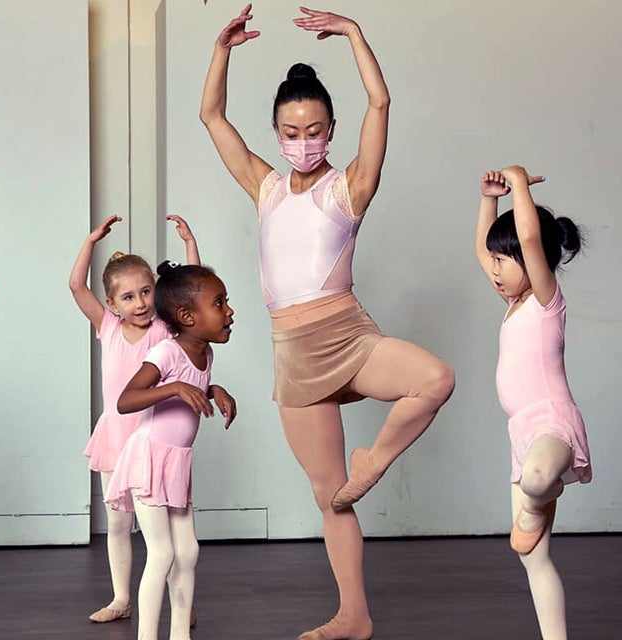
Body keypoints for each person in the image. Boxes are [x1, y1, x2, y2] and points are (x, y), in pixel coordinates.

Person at [200, 5, 455, 639]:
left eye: (315, 130)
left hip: (346, 334)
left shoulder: (349, 188)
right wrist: (222, 49)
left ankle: (375, 463)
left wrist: (355, 36)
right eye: (290, 131)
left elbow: (381, 105)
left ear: (331, 130)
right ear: (277, 132)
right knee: (328, 496)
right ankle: (353, 616)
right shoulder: (265, 187)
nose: (303, 141)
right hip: (294, 351)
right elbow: (211, 117)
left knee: (435, 378)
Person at [475, 166, 591, 639]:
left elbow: (526, 233)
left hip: (552, 423)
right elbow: (484, 249)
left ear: (535, 257)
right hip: (521, 433)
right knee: (533, 557)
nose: (496, 270)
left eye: (508, 260)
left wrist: (518, 186)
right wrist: (488, 199)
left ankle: (539, 499)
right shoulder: (513, 303)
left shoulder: (547, 300)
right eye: (496, 262)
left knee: (540, 478)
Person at [68, 214, 201, 624]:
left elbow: (194, 295)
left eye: (146, 292)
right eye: (128, 297)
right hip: (115, 437)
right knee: (119, 523)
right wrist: (91, 241)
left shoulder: (164, 330)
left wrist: (189, 246)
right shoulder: (106, 326)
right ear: (112, 304)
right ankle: (121, 598)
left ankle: (182, 603)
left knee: (172, 528)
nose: (140, 303)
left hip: (154, 440)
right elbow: (76, 285)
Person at [105, 261, 236, 640]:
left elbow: (196, 384)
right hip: (149, 459)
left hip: (176, 463)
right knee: (161, 554)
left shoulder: (205, 353)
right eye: (219, 303)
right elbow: (126, 400)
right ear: (186, 317)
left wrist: (214, 390)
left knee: (188, 552)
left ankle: (180, 634)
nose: (229, 311)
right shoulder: (166, 352)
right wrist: (175, 388)